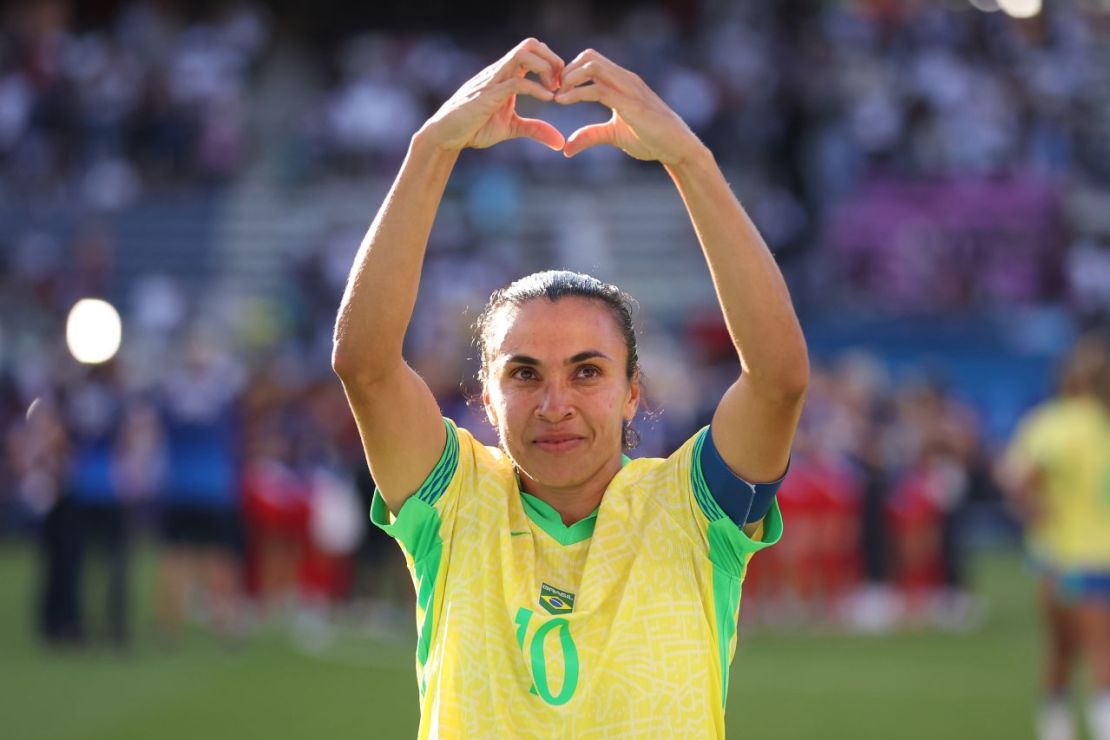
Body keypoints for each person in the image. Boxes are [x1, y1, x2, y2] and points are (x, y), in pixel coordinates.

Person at [332, 39, 808, 737]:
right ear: (487, 398)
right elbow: (365, 366)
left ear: (633, 392)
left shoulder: (691, 513)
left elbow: (777, 381)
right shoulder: (456, 503)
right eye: (523, 373)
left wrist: (690, 162)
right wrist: (432, 147)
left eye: (588, 371)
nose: (555, 404)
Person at [1002, 333, 1110, 740]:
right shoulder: (1092, 422)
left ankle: (1055, 729)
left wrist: (1036, 516)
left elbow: (1019, 479)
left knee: (1065, 655)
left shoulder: (1055, 422)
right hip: (1091, 559)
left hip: (1069, 558)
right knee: (1100, 660)